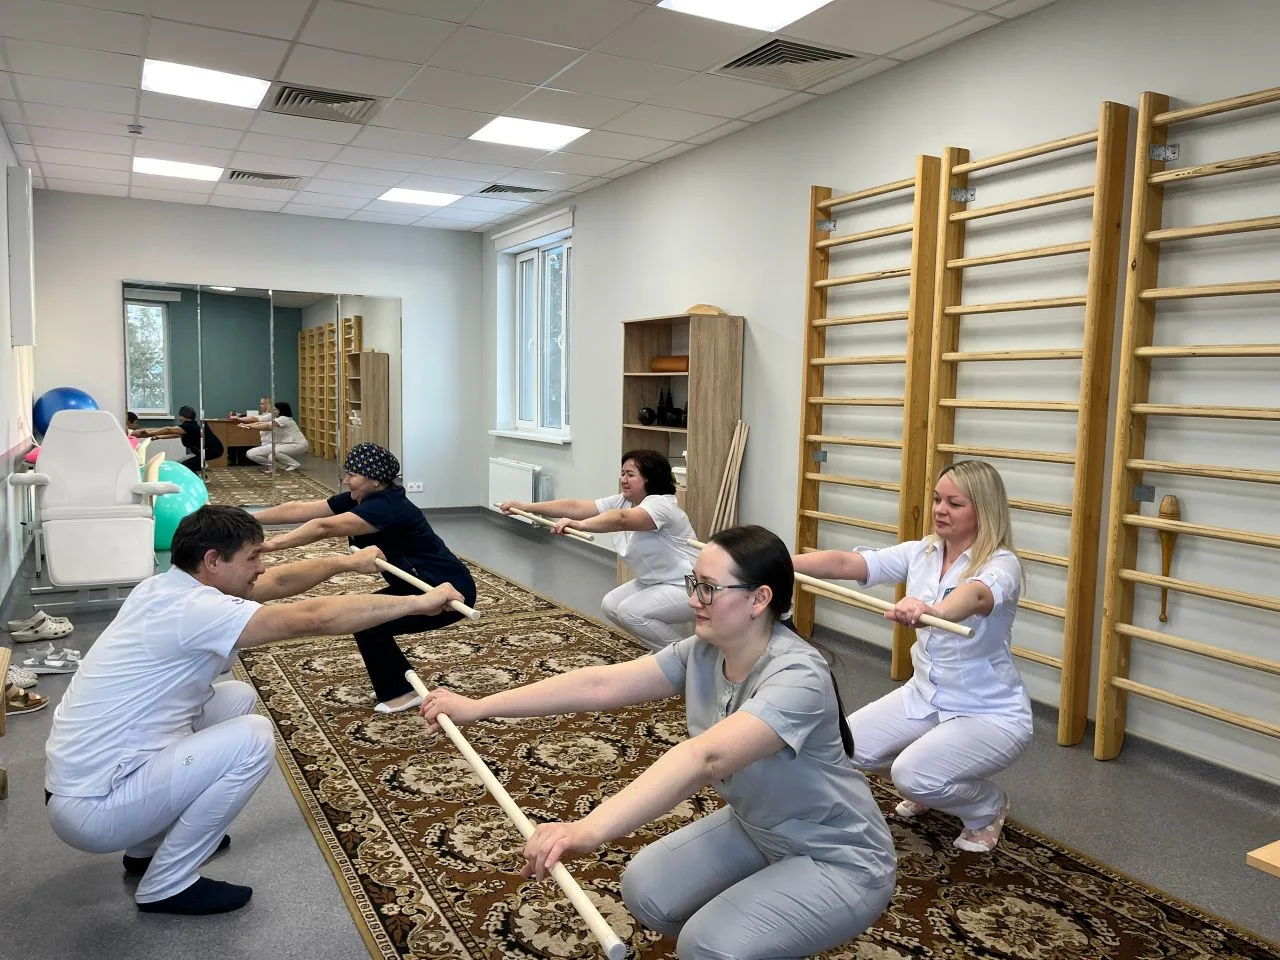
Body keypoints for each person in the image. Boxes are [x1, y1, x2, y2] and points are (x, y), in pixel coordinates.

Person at [422, 526, 897, 959]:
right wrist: (479, 705)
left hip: (839, 857)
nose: (693, 599)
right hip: (759, 827)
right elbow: (599, 686)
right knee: (646, 890)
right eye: (694, 584)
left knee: (706, 946)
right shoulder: (705, 650)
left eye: (708, 588)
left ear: (759, 599)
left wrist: (586, 830)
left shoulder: (799, 675)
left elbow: (705, 758)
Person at [44, 504, 464, 916]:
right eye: (252, 557)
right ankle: (167, 884)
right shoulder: (198, 610)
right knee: (253, 737)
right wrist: (417, 602)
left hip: (89, 784)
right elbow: (313, 618)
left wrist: (346, 562)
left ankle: (146, 847)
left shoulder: (163, 589)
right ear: (213, 560)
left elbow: (280, 581)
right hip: (96, 808)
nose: (261, 568)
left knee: (235, 697)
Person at [792, 459, 1029, 853]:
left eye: (954, 503)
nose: (940, 510)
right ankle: (934, 780)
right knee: (842, 747)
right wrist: (777, 565)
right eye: (937, 500)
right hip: (925, 696)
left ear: (984, 510)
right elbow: (847, 563)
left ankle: (987, 805)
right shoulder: (923, 551)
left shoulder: (1002, 564)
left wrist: (933, 610)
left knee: (911, 775)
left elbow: (975, 596)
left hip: (989, 713)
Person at [252, 442, 476, 714]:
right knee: (367, 618)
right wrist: (246, 518)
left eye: (352, 475)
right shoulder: (361, 499)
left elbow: (322, 527)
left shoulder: (386, 508)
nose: (346, 480)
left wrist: (271, 545)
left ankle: (400, 693)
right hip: (417, 584)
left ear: (375, 480)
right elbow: (299, 509)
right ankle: (397, 684)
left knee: (370, 622)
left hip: (447, 590)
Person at [500, 450, 698, 651]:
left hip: (688, 585)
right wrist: (526, 506)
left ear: (650, 478)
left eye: (630, 474)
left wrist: (580, 525)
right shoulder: (625, 500)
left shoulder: (661, 505)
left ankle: (684, 656)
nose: (623, 479)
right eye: (622, 473)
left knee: (630, 612)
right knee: (611, 605)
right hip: (657, 581)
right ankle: (665, 653)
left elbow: (621, 519)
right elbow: (575, 507)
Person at [132, 404, 224, 472]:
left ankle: (198, 476)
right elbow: (176, 434)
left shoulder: (189, 426)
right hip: (210, 450)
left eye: (180, 416)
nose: (179, 418)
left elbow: (168, 429)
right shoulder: (189, 426)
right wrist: (158, 437)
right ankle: (200, 467)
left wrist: (151, 433)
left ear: (182, 416)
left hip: (212, 450)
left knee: (185, 465)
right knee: (184, 463)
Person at [239, 400, 308, 472]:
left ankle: (294, 464)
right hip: (286, 444)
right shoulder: (278, 419)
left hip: (298, 444)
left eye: (275, 410)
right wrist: (247, 425)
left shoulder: (284, 419)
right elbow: (262, 423)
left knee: (274, 453)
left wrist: (250, 426)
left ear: (280, 410)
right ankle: (279, 466)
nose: (273, 411)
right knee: (257, 454)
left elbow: (267, 426)